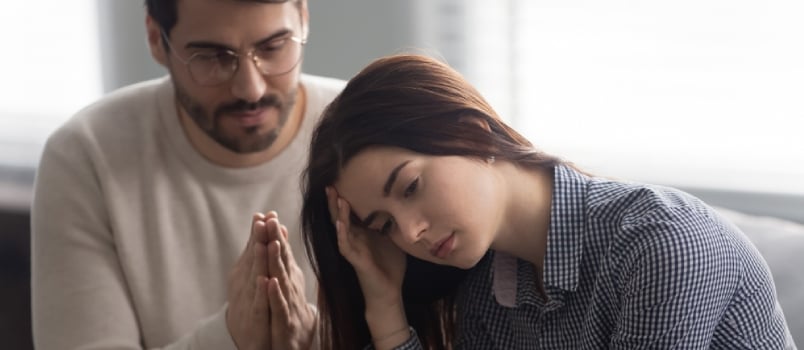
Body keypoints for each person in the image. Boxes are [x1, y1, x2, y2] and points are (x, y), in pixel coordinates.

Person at [300, 54, 796, 349]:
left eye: (409, 188)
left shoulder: (662, 242)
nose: (409, 233)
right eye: (384, 224)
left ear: (470, 133)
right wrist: (386, 308)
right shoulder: (488, 299)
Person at [31, 0, 343, 349]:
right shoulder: (86, 156)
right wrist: (229, 338)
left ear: (303, 18)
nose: (250, 89)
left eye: (273, 48)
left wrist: (314, 336)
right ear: (155, 39)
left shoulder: (368, 134)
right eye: (212, 57)